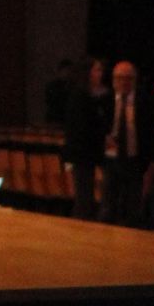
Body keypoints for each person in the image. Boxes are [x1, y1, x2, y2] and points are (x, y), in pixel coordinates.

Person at [61, 56, 109, 221]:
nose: (100, 74)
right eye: (97, 70)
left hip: (84, 153)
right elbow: (82, 128)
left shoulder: (87, 95)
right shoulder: (81, 96)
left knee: (85, 197)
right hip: (82, 153)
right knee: (84, 199)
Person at [103, 60, 151, 226]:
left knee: (133, 206)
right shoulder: (106, 100)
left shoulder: (143, 101)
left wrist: (152, 162)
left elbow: (151, 131)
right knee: (108, 204)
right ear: (113, 80)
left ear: (134, 80)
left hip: (134, 158)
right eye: (120, 78)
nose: (124, 82)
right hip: (110, 157)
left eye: (128, 78)